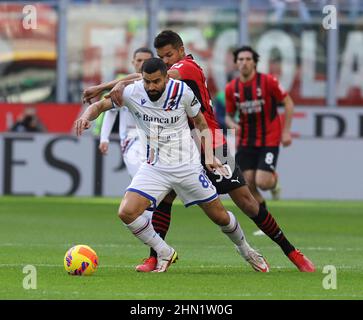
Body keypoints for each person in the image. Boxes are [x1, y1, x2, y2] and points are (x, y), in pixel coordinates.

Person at [82, 30, 315, 273]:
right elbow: (147, 78)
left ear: (181, 50)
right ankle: (156, 256)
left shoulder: (189, 66)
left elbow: (153, 76)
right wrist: (112, 87)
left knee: (246, 202)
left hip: (210, 138)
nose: (166, 61)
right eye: (162, 56)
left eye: (169, 55)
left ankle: (291, 251)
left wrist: (107, 85)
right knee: (165, 199)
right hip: (182, 143)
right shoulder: (164, 74)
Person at [75, 58, 269, 273]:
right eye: (147, 82)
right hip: (155, 167)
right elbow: (100, 106)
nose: (151, 87)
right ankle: (164, 251)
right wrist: (86, 116)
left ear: (167, 78)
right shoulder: (133, 92)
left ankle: (246, 250)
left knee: (220, 217)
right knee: (126, 212)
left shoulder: (182, 91)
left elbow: (201, 122)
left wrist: (209, 155)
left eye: (156, 81)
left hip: (187, 166)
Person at [225, 46, 294, 210]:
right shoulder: (231, 88)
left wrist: (286, 132)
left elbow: (288, 103)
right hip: (246, 140)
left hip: (269, 138)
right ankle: (264, 220)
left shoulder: (268, 81)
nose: (244, 63)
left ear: (255, 63)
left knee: (263, 182)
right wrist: (233, 125)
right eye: (240, 59)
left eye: (248, 59)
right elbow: (228, 115)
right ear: (236, 63)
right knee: (246, 183)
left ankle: (273, 181)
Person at [99, 48, 154, 177]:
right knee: (141, 180)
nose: (142, 64)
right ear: (133, 62)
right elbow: (111, 111)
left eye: (146, 61)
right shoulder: (123, 87)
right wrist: (104, 138)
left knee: (151, 184)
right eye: (139, 60)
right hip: (131, 138)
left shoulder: (159, 86)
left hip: (155, 139)